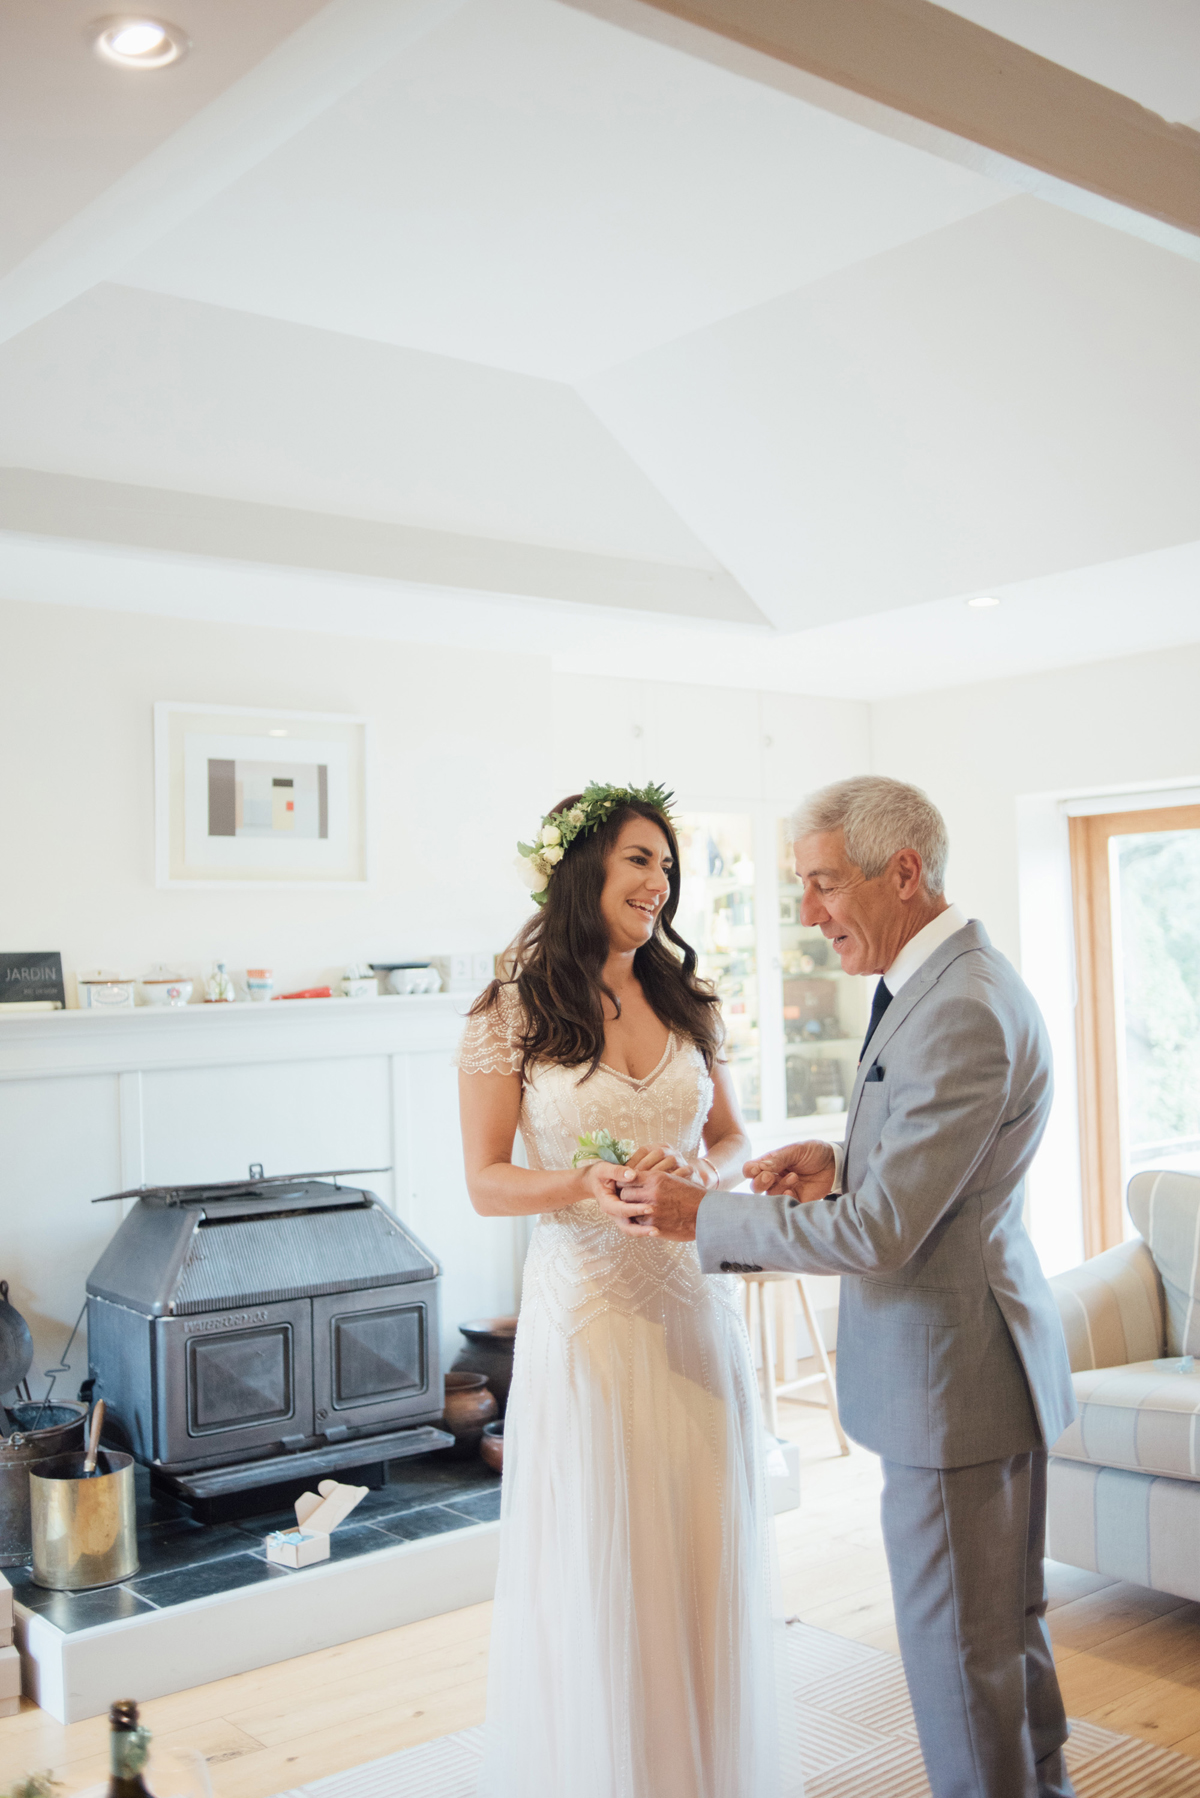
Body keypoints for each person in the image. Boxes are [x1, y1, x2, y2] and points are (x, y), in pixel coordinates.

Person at [603, 775, 1078, 1798]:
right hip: (977, 1371)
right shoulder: (949, 984)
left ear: (901, 873)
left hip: (953, 1384)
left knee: (960, 1661)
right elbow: (926, 1174)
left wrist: (702, 1215)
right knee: (1000, 1642)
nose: (809, 914)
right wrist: (837, 1154)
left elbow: (881, 1232)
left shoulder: (960, 1005)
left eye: (822, 885)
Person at [456, 782, 802, 1798]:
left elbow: (733, 1135)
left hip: (692, 1310)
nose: (659, 883)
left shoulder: (692, 999)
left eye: (666, 865)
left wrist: (708, 1174)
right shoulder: (509, 1013)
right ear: (581, 873)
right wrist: (582, 1181)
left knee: (701, 1546)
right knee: (606, 1562)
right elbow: (483, 1180)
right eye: (638, 861)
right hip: (589, 1317)